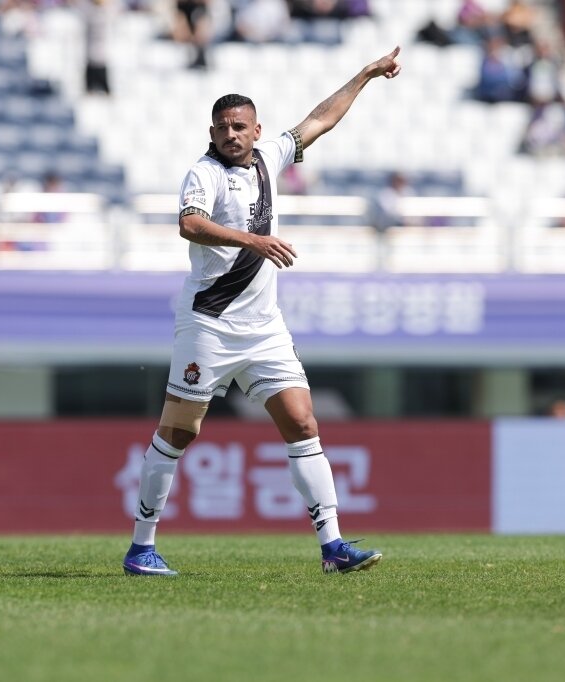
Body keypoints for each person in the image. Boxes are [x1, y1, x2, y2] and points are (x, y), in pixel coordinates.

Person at [122, 45, 402, 577]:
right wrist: (254, 241)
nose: (231, 134)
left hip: (264, 328)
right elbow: (190, 224)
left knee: (302, 422)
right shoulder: (203, 173)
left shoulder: (270, 157)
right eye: (222, 127)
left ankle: (333, 546)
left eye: (240, 126)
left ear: (256, 130)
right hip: (209, 324)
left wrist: (365, 74)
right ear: (211, 134)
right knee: (179, 433)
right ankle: (141, 546)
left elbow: (320, 120)